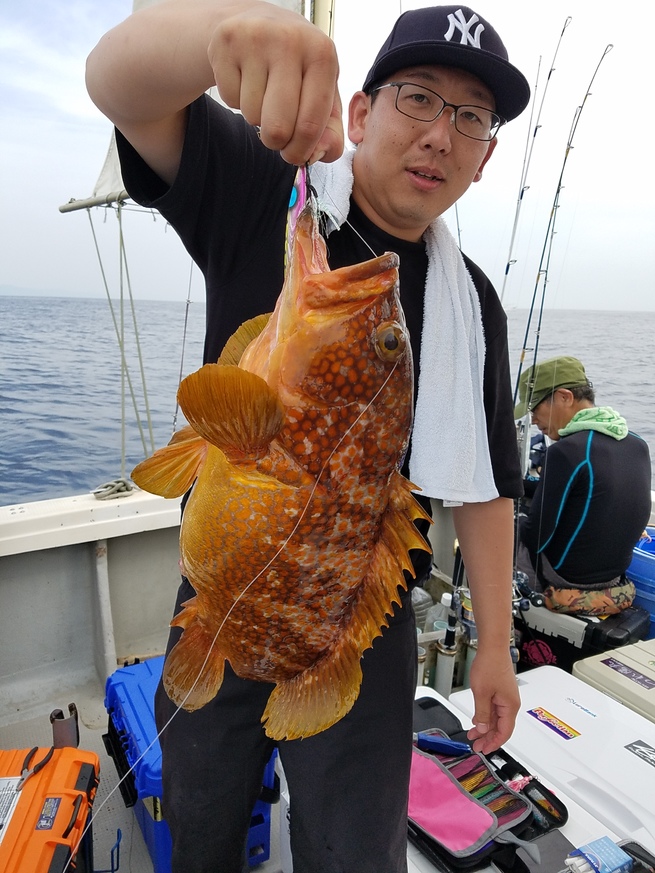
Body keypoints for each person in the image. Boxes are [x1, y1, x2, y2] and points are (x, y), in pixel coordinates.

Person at [87, 4, 528, 870]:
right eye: (417, 98)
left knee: (355, 852)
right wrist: (220, 34)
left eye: (470, 117)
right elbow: (119, 85)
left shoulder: (472, 305)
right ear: (359, 114)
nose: (440, 134)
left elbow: (485, 482)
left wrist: (496, 646)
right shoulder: (268, 192)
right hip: (222, 594)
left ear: (485, 156)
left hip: (358, 623)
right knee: (200, 821)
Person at [515, 355, 652, 615]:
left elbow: (535, 537)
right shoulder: (636, 444)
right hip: (614, 579)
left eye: (535, 409)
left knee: (506, 521)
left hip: (566, 579)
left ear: (565, 397)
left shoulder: (565, 452)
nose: (533, 420)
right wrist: (520, 485)